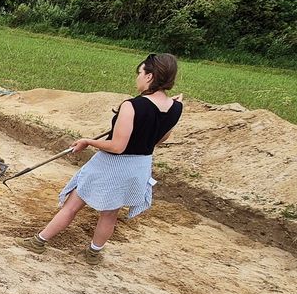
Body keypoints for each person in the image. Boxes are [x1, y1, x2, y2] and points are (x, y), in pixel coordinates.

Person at [17, 53, 184, 265]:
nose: (138, 77)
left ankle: (38, 242)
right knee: (110, 213)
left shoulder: (132, 106)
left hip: (113, 165)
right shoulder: (176, 107)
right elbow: (160, 139)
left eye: (140, 72)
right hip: (139, 166)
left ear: (149, 76)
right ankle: (93, 254)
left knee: (72, 205)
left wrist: (88, 141)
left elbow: (117, 146)